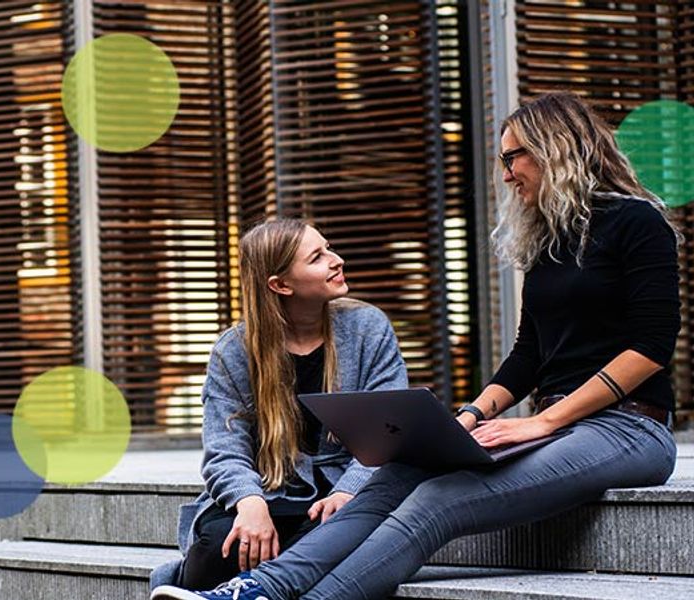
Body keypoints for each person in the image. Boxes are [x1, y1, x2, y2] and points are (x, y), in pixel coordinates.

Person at [151, 90, 681, 600]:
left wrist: (544, 421)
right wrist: (470, 416)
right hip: (556, 431)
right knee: (397, 475)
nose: (505, 174)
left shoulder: (637, 222)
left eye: (512, 158)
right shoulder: (549, 242)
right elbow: (528, 355)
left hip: (628, 428)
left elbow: (652, 345)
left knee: (437, 500)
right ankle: (258, 590)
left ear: (555, 148)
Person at [148, 218, 408, 591]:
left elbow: (389, 429)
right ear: (280, 285)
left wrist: (350, 489)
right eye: (317, 257)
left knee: (330, 539)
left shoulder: (368, 328)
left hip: (348, 491)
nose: (336, 260)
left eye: (328, 247)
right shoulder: (234, 351)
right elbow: (224, 450)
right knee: (224, 546)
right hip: (270, 489)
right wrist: (249, 502)